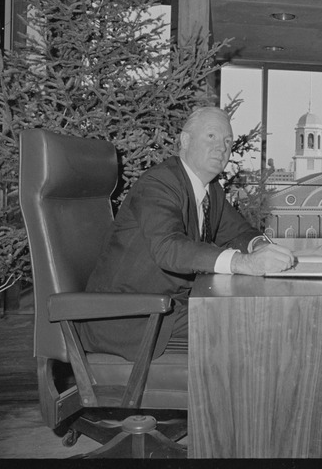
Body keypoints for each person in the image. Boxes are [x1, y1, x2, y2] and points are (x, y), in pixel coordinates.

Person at [80, 105, 294, 360]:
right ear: (185, 140)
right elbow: (168, 248)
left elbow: (238, 232)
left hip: (169, 306)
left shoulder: (210, 190)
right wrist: (242, 262)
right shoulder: (159, 183)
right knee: (251, 323)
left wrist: (259, 246)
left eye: (227, 140)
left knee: (254, 318)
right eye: (211, 136)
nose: (222, 147)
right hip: (125, 317)